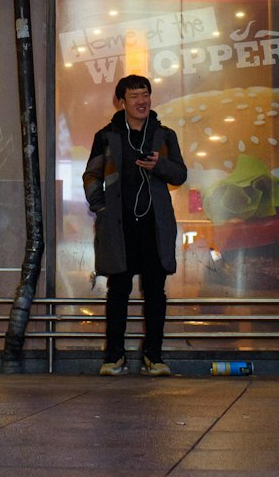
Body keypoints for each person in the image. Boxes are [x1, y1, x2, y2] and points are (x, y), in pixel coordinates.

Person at [82, 73, 187, 377]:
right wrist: (98, 203)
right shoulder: (107, 135)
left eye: (145, 95)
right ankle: (114, 356)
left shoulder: (164, 135)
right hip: (119, 226)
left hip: (154, 225)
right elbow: (92, 174)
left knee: (156, 291)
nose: (141, 101)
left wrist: (160, 166)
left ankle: (153, 357)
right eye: (134, 96)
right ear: (121, 101)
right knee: (118, 291)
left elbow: (179, 174)